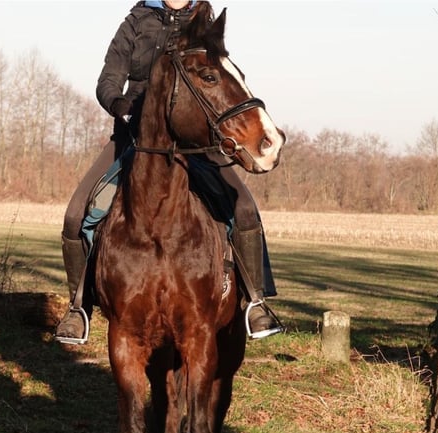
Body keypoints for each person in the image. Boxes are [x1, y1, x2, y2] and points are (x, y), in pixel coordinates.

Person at [55, 0, 283, 344]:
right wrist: (120, 105)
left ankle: (255, 301)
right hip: (134, 134)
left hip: (194, 141)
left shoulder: (202, 23)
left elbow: (220, 76)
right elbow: (108, 80)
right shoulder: (135, 23)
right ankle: (78, 306)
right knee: (76, 214)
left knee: (245, 209)